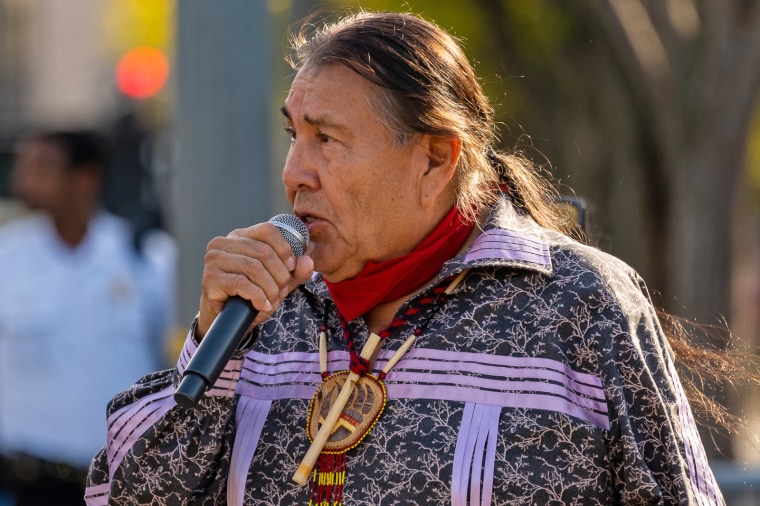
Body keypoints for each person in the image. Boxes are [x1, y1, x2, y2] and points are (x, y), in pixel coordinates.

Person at [86, 11, 728, 505]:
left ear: (434, 159)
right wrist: (208, 343)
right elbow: (128, 494)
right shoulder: (264, 311)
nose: (294, 174)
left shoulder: (577, 304)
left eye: (327, 139)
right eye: (294, 135)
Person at [0, 130, 176, 505]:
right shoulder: (7, 258)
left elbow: (180, 358)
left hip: (120, 483)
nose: (25, 178)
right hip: (25, 485)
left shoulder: (145, 256)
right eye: (25, 166)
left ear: (86, 178)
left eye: (43, 167)